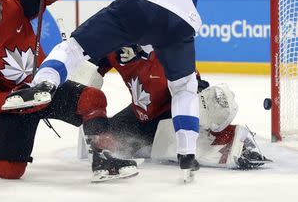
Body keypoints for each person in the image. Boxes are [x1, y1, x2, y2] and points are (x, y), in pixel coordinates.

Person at [4, 0, 202, 179]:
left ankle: (44, 84)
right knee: (185, 87)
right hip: (180, 23)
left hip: (135, 7)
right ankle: (187, 154)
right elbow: (186, 7)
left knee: (74, 48)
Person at [0, 0, 138, 182]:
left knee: (92, 98)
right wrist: (19, 98)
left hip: (46, 89)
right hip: (15, 109)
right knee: (10, 171)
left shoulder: (11, 6)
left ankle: (104, 159)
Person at [78, 46, 271, 169]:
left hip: (171, 112)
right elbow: (90, 73)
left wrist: (203, 104)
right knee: (97, 143)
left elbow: (193, 84)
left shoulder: (168, 47)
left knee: (214, 99)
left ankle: (231, 141)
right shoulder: (113, 46)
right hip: (139, 116)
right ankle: (153, 143)